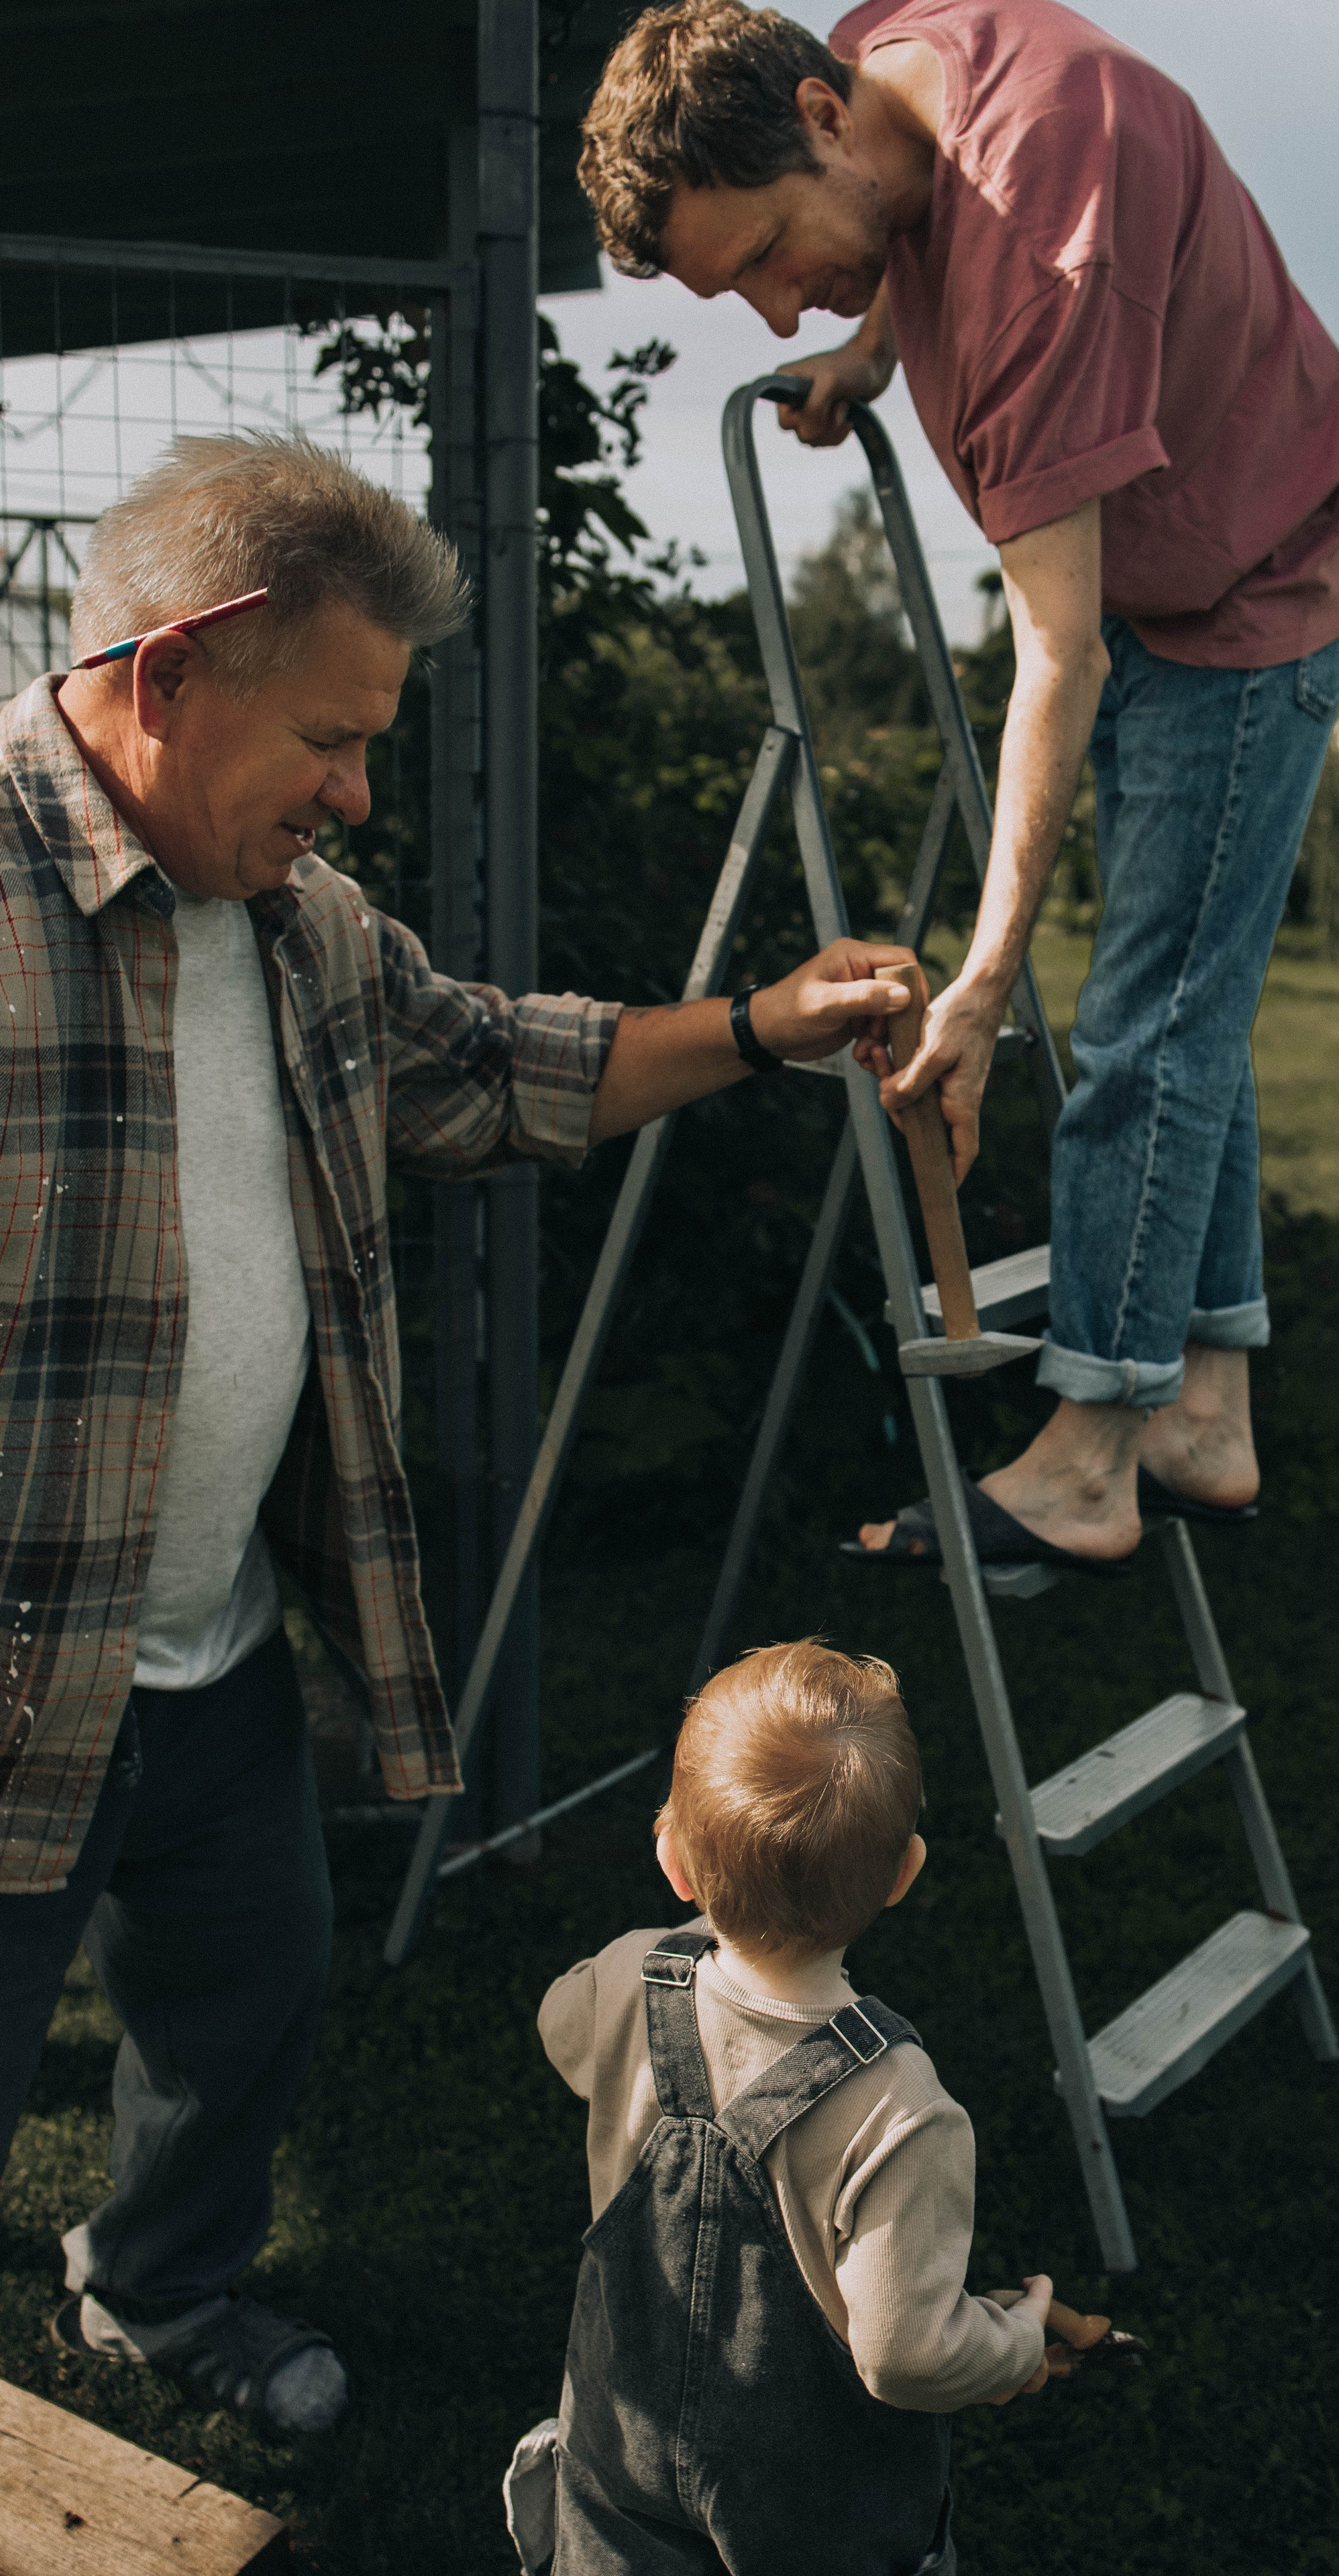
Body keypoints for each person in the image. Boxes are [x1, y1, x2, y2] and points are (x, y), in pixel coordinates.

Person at [0, 431, 916, 2435]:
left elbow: (498, 1064)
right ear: (171, 673)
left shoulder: (301, 923)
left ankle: (157, 2290)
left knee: (244, 1997)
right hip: (10, 1669)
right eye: (326, 741)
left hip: (214, 1640)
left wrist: (763, 1027)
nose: (352, 795)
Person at [579, 0, 1339, 1569]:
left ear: (817, 118)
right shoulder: (890, 49)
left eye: (760, 260)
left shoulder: (1042, 262)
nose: (766, 313)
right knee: (1189, 998)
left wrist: (987, 976)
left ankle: (1092, 1452)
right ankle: (1202, 1404)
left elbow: (1055, 655)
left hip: (1250, 577)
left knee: (1146, 1029)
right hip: (1183, 536)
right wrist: (873, 343)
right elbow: (905, 203)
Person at [510, 1639, 1110, 2576]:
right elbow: (909, 2356)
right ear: (904, 1875)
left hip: (620, 2455)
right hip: (804, 2520)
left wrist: (708, 1909)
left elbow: (558, 2027)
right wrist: (1012, 2339)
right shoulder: (900, 2106)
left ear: (673, 1859)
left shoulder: (630, 1976)